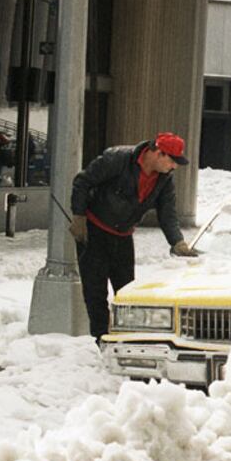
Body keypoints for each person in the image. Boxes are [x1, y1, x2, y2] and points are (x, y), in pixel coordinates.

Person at [69, 132, 196, 341]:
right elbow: (82, 181)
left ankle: (128, 339)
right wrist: (79, 217)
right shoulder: (118, 159)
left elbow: (167, 212)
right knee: (95, 292)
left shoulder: (164, 180)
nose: (174, 166)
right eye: (172, 160)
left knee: (128, 292)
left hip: (123, 236)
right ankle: (101, 340)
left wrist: (177, 242)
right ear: (158, 153)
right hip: (94, 231)